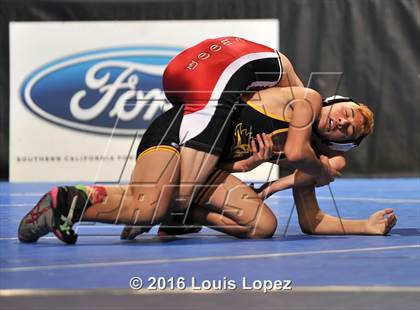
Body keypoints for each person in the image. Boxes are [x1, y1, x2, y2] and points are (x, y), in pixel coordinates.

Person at [18, 84, 396, 244]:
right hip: (180, 135)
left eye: (349, 129)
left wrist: (364, 226)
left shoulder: (307, 148)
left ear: (340, 141)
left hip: (205, 164)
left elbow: (311, 221)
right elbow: (300, 158)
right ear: (333, 101)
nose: (343, 121)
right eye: (346, 112)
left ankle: (178, 217)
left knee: (262, 224)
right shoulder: (306, 98)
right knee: (147, 206)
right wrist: (323, 171)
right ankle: (68, 200)